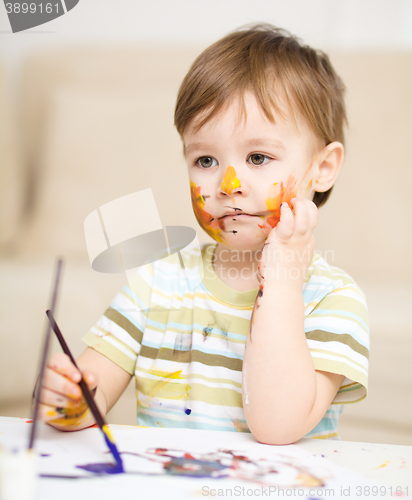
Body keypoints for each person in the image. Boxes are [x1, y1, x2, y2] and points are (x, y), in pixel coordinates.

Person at [37, 24, 369, 444]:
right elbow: (93, 389)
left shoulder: (333, 300)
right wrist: (71, 399)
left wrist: (283, 279)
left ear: (322, 168)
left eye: (258, 156)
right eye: (206, 160)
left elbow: (277, 426)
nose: (228, 184)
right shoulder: (158, 283)